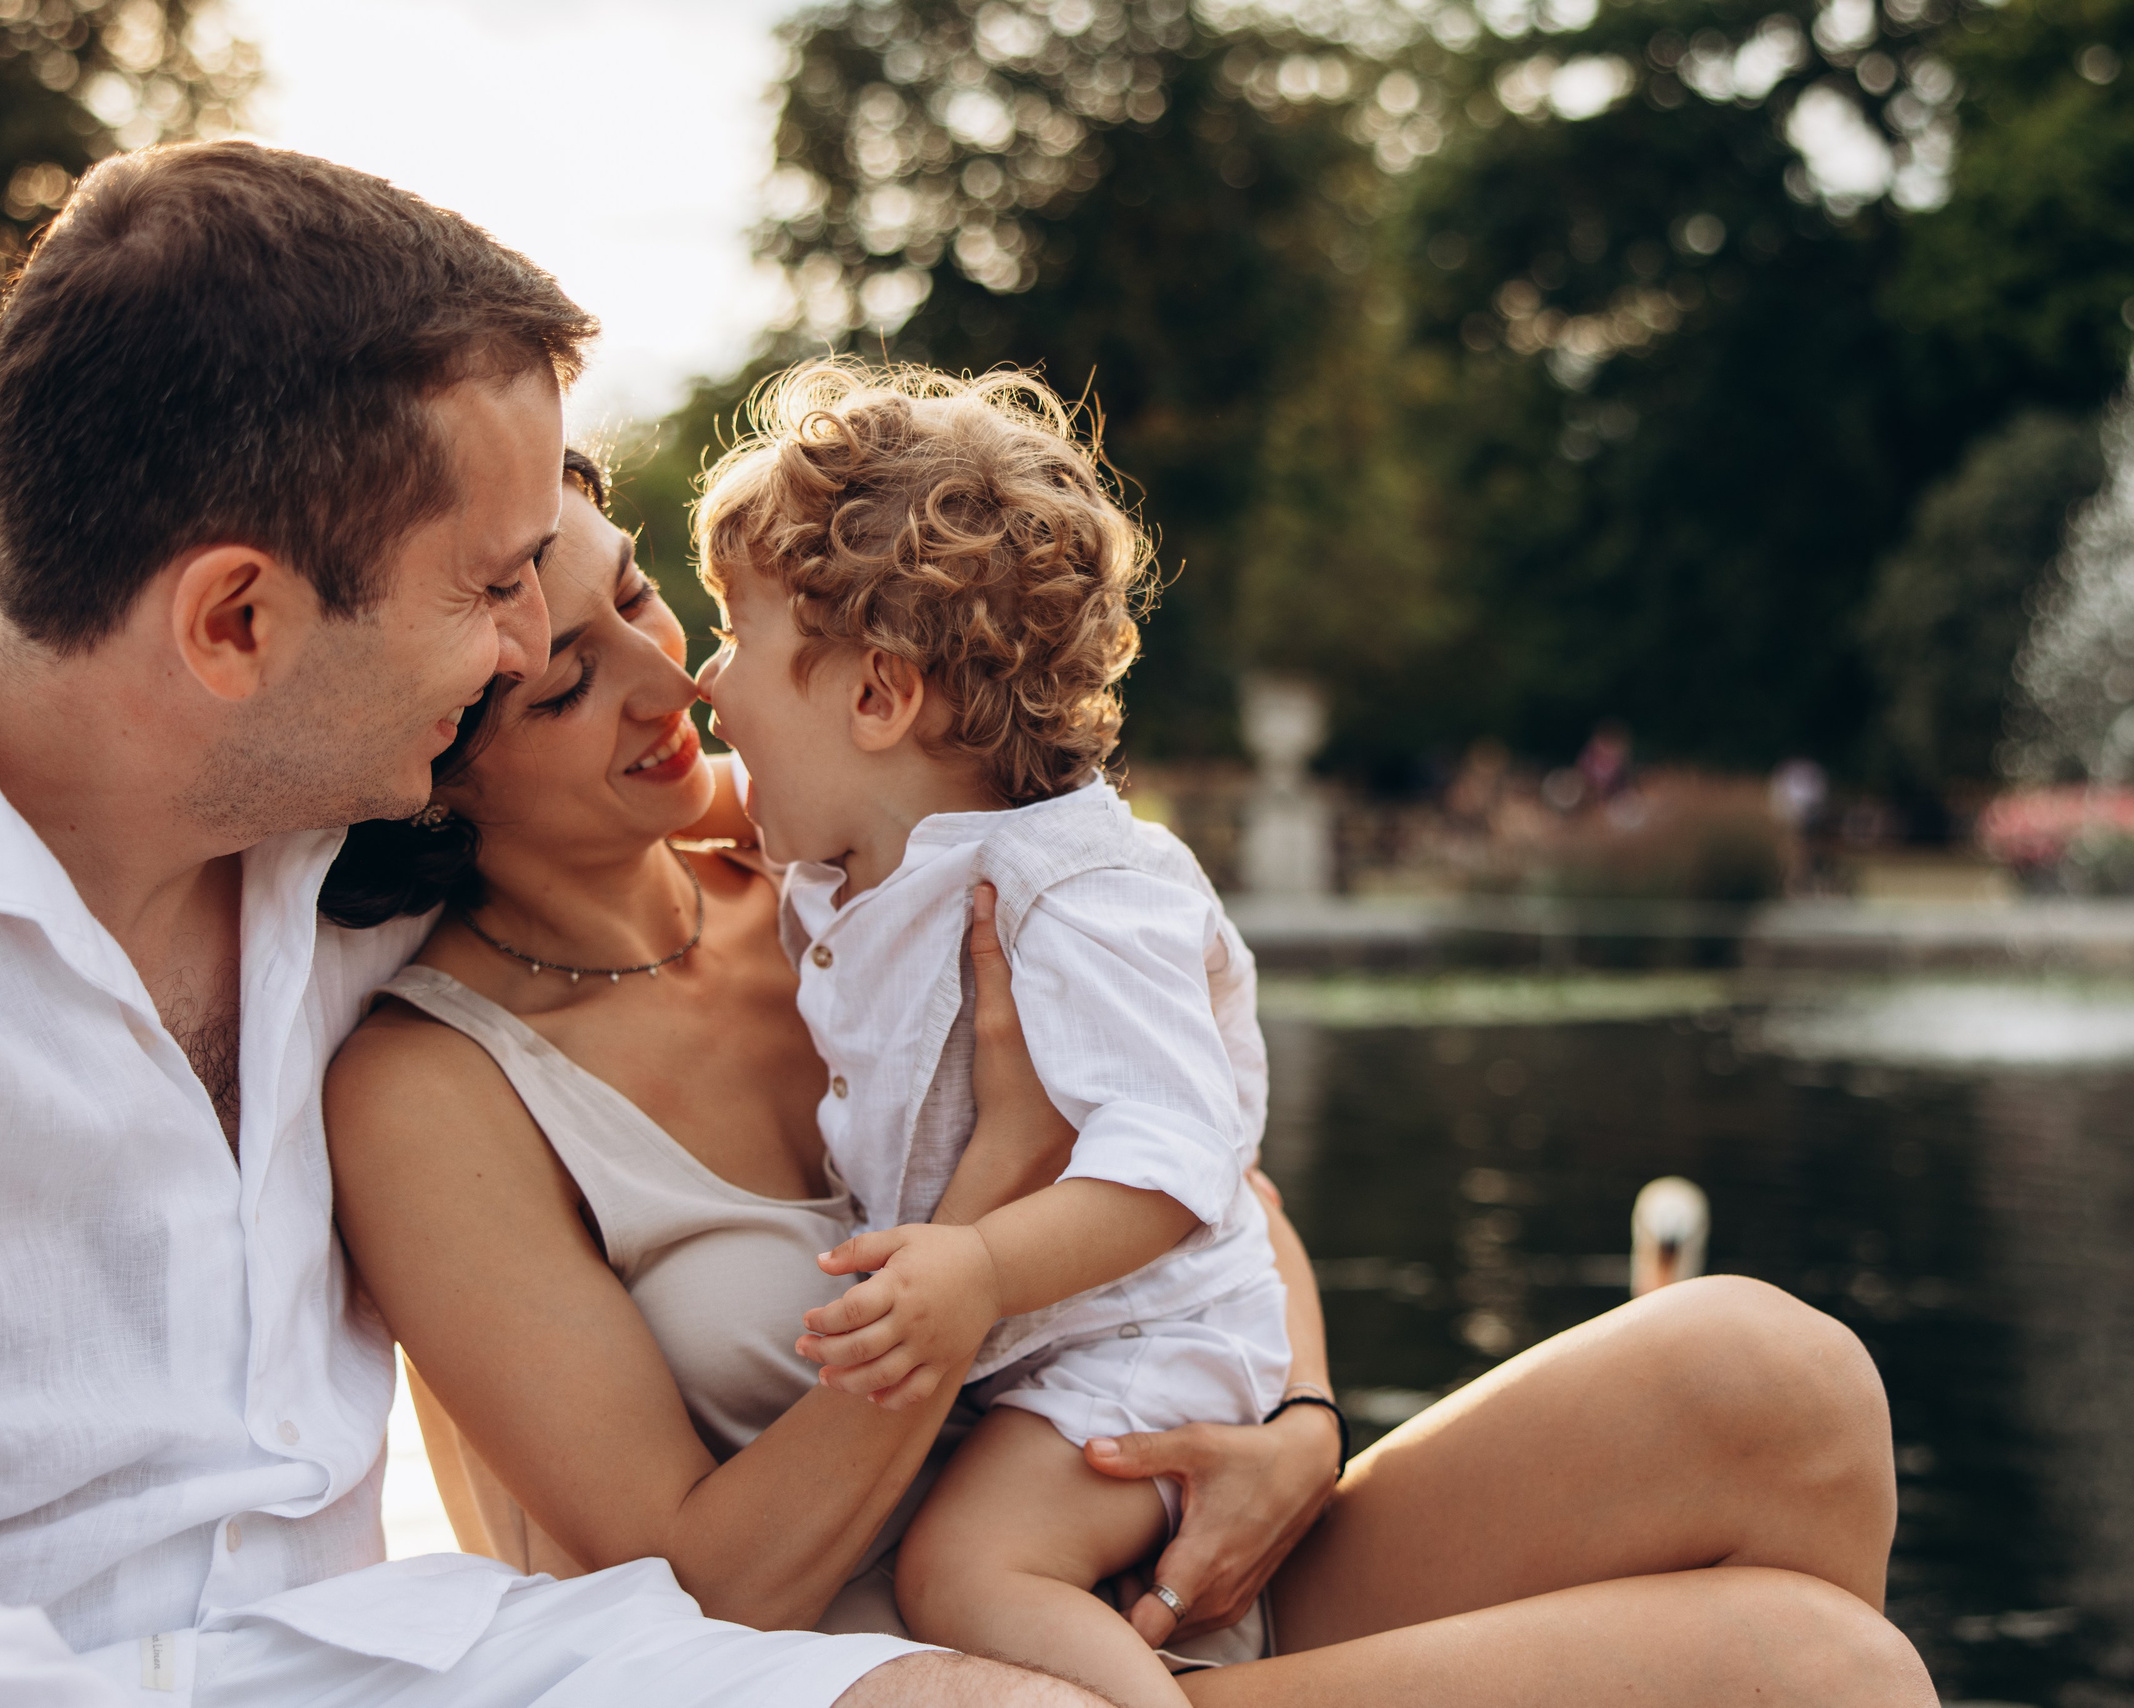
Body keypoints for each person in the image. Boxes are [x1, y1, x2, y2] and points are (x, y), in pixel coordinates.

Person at [322, 435, 1941, 1703]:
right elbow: (702, 1589)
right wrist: (986, 1192)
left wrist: (1298, 1425)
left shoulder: (856, 845)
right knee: (1820, 1676)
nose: (671, 677)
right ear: (425, 775)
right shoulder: (434, 1090)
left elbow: (1209, 1170)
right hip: (937, 1670)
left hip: (1169, 1550)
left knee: (1777, 1376)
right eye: (561, 680)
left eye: (643, 595)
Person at [0, 140, 1095, 1708]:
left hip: (395, 1660)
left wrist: (1293, 1414)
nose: (524, 646)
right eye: (497, 591)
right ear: (237, 622)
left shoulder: (363, 866)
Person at [686, 361, 1291, 1705]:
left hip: (1141, 1340)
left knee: (963, 1572)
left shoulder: (1078, 894)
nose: (705, 684)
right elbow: (693, 799)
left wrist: (978, 1268)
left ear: (879, 699)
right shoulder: (857, 832)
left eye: (730, 637)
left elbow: (1177, 1159)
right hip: (1041, 1352)